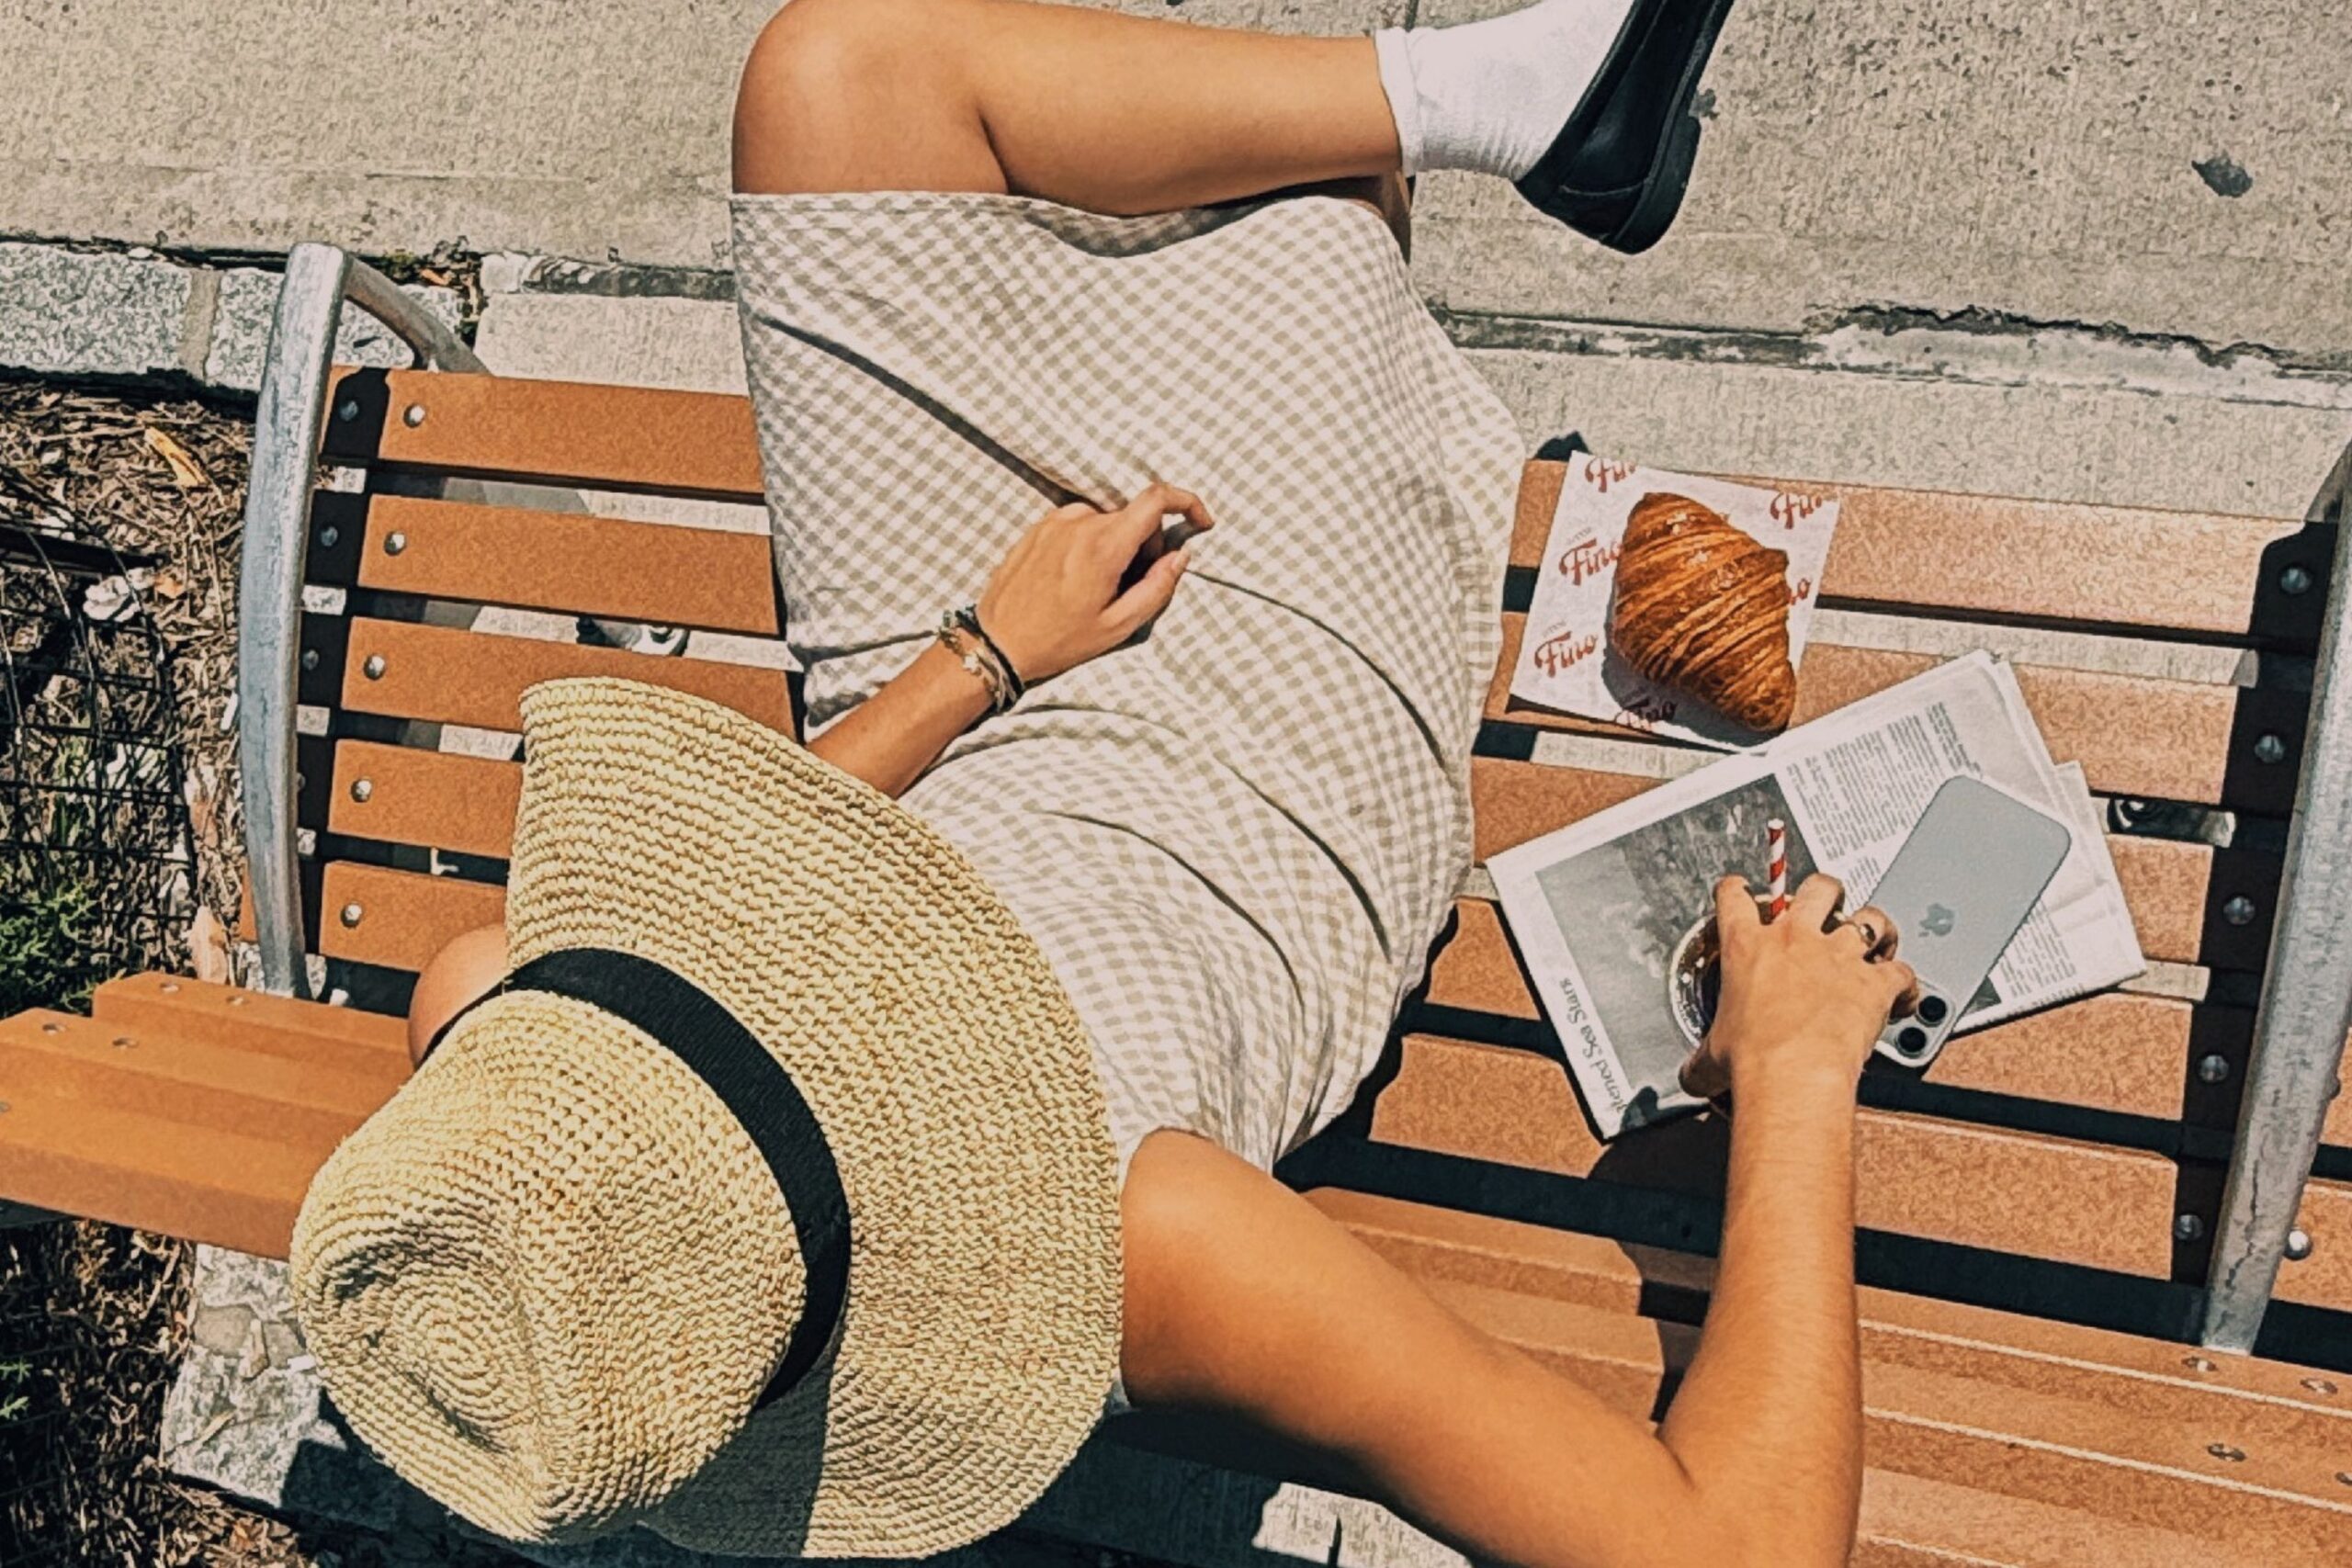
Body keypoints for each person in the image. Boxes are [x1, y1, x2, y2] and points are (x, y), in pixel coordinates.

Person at [288, 2, 1916, 1564]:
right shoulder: (1130, 1248)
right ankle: (1523, 110)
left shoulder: (499, 1021)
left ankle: (1538, 104)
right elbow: (1737, 1548)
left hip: (965, 716)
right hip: (1267, 778)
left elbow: (744, 875)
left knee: (835, 72)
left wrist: (981, 658)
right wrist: (1793, 1069)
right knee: (1313, 213)